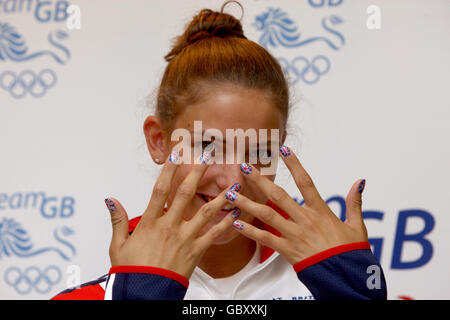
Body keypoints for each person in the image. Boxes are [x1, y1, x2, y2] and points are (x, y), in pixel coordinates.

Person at [52, 1, 386, 300]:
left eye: (258, 150)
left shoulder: (326, 280)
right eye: (208, 146)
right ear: (158, 140)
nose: (230, 180)